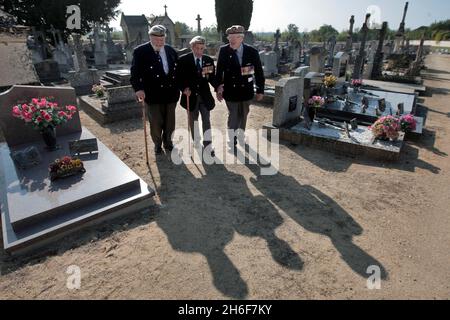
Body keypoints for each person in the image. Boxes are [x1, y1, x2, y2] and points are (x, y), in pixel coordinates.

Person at [130, 25, 180, 155]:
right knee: (156, 123)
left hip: (170, 94)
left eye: (162, 39)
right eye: (156, 39)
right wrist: (138, 89)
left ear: (165, 38)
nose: (159, 42)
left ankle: (168, 142)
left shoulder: (171, 51)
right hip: (152, 95)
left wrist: (183, 87)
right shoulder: (140, 51)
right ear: (150, 37)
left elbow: (178, 72)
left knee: (170, 123)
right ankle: (157, 145)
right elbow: (135, 73)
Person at [215, 25, 265, 149]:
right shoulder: (224, 50)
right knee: (233, 115)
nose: (231, 40)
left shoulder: (251, 51)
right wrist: (218, 88)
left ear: (241, 38)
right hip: (230, 90)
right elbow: (219, 71)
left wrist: (260, 90)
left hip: (246, 90)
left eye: (234, 37)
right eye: (229, 37)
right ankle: (232, 138)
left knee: (244, 114)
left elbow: (259, 72)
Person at [178, 36, 216, 157]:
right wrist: (184, 88)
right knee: (193, 121)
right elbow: (178, 78)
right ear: (192, 47)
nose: (200, 51)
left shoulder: (208, 60)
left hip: (205, 97)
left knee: (206, 120)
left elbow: (212, 78)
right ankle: (196, 142)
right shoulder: (183, 60)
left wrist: (218, 87)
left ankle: (208, 144)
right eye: (197, 48)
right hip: (190, 97)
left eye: (202, 48)